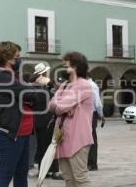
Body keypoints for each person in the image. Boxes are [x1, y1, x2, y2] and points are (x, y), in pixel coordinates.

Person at [0, 41, 45, 187]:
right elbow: (30, 95)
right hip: (10, 133)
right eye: (17, 56)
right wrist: (32, 93)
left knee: (21, 174)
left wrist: (30, 94)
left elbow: (30, 97)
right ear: (7, 58)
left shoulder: (13, 76)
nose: (19, 60)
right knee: (5, 175)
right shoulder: (1, 76)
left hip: (23, 132)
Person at [49, 51, 93, 187]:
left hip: (78, 138)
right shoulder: (64, 85)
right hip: (62, 137)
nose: (64, 69)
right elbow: (52, 106)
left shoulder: (83, 85)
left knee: (80, 178)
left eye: (67, 66)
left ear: (76, 67)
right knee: (68, 179)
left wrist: (61, 104)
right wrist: (63, 105)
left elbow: (60, 107)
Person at [29, 63, 63, 179]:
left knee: (42, 147)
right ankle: (53, 171)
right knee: (51, 146)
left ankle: (44, 170)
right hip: (47, 121)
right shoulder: (43, 90)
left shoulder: (33, 88)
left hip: (37, 120)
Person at [87, 73, 103, 171]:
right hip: (88, 114)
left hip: (91, 113)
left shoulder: (92, 85)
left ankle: (93, 164)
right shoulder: (88, 85)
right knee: (88, 138)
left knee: (92, 139)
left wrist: (101, 114)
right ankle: (89, 162)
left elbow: (97, 102)